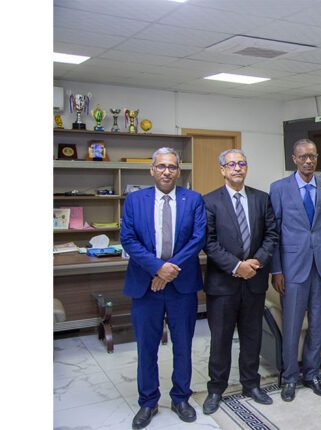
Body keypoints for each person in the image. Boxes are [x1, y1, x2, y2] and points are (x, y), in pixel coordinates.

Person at [120, 148, 206, 429]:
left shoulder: (193, 199)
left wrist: (169, 271)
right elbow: (128, 238)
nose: (166, 171)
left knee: (183, 345)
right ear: (152, 169)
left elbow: (197, 239)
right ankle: (148, 401)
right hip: (146, 287)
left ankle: (181, 398)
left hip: (182, 287)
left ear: (179, 171)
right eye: (161, 166)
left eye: (172, 167)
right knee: (147, 347)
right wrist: (157, 268)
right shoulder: (135, 200)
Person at [201, 149, 279, 413]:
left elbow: (271, 235)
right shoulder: (209, 201)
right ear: (222, 169)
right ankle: (216, 389)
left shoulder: (262, 199)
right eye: (231, 164)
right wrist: (237, 266)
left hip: (254, 282)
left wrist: (255, 263)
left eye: (242, 163)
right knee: (221, 340)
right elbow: (209, 242)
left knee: (252, 337)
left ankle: (251, 384)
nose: (237, 168)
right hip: (222, 285)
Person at [269, 139, 321, 402]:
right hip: (292, 268)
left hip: (320, 267)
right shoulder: (279, 188)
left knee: (317, 324)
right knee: (292, 325)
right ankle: (289, 377)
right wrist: (277, 270)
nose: (308, 161)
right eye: (303, 157)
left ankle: (312, 374)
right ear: (294, 159)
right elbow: (274, 232)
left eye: (313, 156)